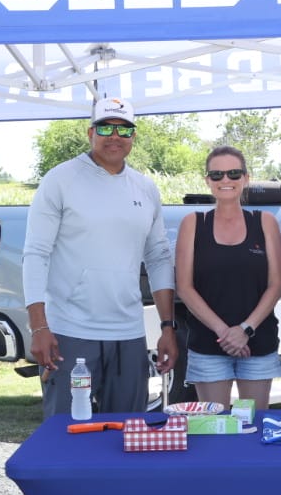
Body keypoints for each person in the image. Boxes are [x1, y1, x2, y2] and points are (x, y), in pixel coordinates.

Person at [23, 96, 178, 419]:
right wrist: (39, 327)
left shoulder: (145, 188)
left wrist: (167, 327)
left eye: (124, 130)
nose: (115, 137)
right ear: (90, 132)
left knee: (127, 432)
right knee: (66, 432)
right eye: (106, 128)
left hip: (129, 334)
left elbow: (158, 257)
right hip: (70, 332)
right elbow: (36, 254)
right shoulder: (60, 180)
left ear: (134, 136)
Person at [174, 145, 281, 408]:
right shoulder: (192, 223)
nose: (226, 180)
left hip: (258, 343)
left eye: (234, 173)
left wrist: (245, 329)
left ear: (246, 178)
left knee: (254, 425)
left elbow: (275, 285)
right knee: (214, 425)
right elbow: (185, 288)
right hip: (208, 344)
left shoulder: (266, 222)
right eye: (217, 175)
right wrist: (225, 333)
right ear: (207, 180)